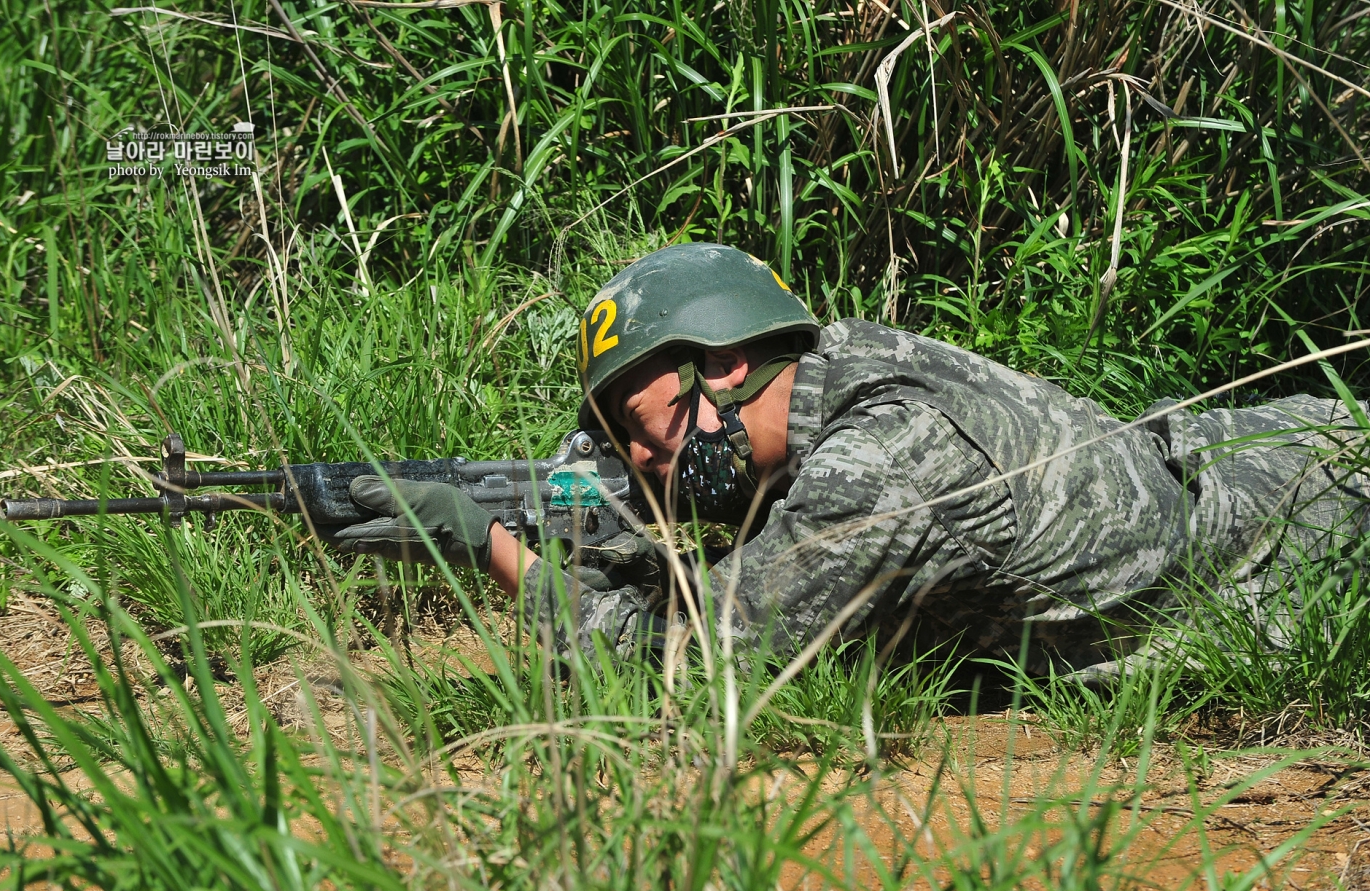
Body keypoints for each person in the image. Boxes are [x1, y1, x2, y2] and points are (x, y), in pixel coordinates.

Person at [329, 244, 1370, 676]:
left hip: (1318, 528)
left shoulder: (885, 459)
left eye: (651, 427)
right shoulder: (836, 366)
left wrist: (497, 552)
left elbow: (690, 672)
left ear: (727, 366)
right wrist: (545, 493)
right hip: (1241, 457)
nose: (647, 461)